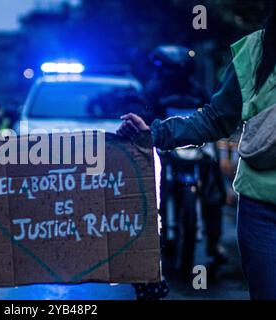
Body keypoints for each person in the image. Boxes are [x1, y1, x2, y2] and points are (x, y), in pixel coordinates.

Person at [118, 1, 276, 300]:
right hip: (261, 212)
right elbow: (214, 118)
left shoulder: (191, 84)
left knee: (212, 182)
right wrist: (151, 133)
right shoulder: (256, 51)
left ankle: (213, 239)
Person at [145, 45, 228, 267]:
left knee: (213, 185)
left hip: (197, 149)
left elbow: (213, 115)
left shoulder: (198, 91)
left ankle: (214, 243)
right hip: (166, 151)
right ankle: (148, 240)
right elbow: (147, 116)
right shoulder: (154, 91)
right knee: (149, 187)